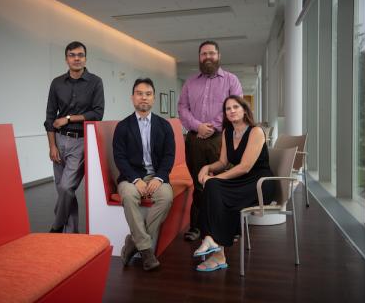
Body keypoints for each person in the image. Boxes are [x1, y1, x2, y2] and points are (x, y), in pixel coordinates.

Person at [193, 95, 275, 272]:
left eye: (235, 107)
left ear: (244, 110)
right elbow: (223, 162)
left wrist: (215, 178)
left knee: (214, 186)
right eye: (228, 109)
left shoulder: (256, 132)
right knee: (213, 188)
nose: (231, 111)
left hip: (260, 183)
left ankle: (214, 245)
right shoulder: (227, 132)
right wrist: (206, 167)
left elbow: (245, 167)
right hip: (241, 181)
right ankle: (213, 243)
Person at [178, 40, 243, 241]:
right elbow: (182, 108)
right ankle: (197, 227)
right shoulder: (190, 82)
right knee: (199, 184)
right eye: (204, 54)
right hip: (194, 140)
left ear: (218, 56)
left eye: (211, 53)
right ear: (199, 57)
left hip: (221, 139)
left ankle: (227, 227)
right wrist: (198, 126)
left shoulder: (231, 80)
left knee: (222, 182)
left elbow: (236, 108)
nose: (208, 57)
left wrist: (212, 126)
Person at [113, 78, 175, 271]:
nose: (144, 98)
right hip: (130, 177)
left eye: (148, 94)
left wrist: (159, 177)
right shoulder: (123, 126)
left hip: (157, 176)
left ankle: (134, 241)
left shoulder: (164, 126)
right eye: (139, 94)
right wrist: (135, 179)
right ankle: (147, 251)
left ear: (153, 98)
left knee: (166, 197)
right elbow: (120, 158)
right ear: (133, 98)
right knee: (129, 196)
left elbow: (169, 155)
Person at [44, 41, 104, 233]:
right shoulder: (56, 83)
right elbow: (50, 117)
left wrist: (69, 118)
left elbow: (97, 113)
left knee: (66, 188)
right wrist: (52, 146)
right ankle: (71, 233)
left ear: (85, 58)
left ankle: (56, 225)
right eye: (72, 55)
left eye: (80, 55)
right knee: (62, 190)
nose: (76, 58)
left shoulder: (95, 82)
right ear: (66, 59)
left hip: (81, 141)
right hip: (59, 140)